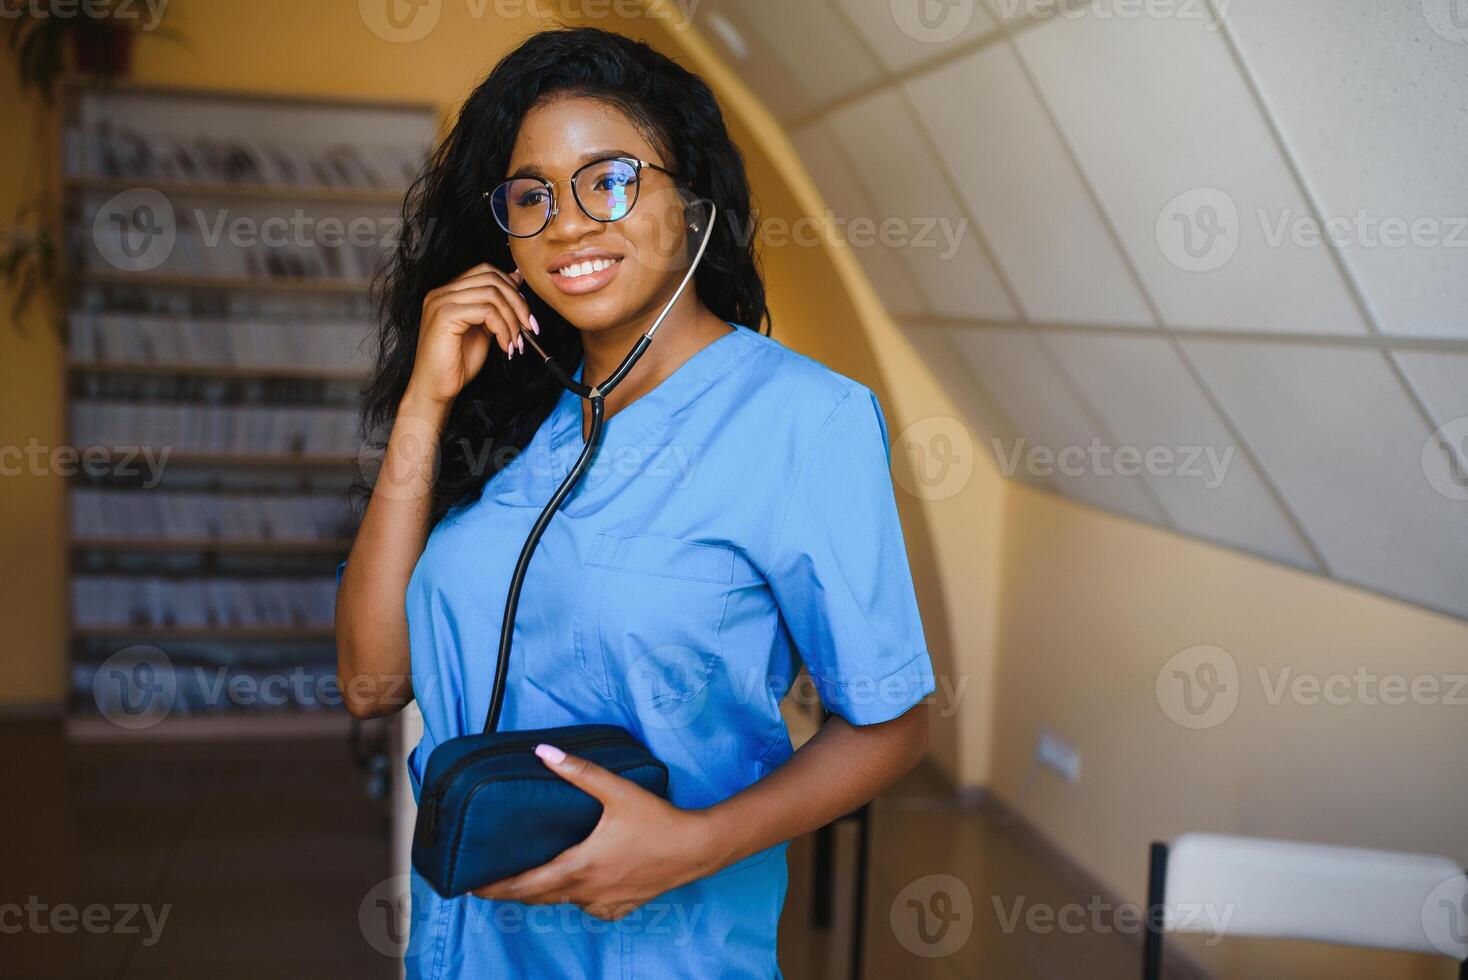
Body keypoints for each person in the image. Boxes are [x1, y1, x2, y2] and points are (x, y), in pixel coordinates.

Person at [335, 25, 936, 979]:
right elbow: (372, 682)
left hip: (662, 952)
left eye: (608, 180)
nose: (567, 223)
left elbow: (893, 723)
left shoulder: (801, 421)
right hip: (463, 949)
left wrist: (691, 846)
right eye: (531, 195)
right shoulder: (509, 409)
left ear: (691, 204)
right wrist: (425, 399)